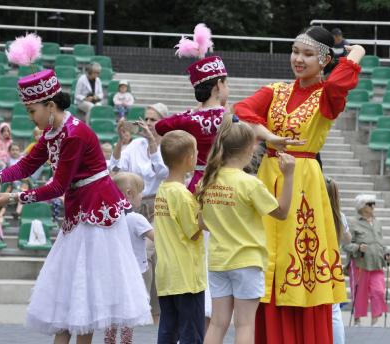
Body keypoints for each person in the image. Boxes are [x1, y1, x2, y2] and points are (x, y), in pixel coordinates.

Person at [0, 65, 151, 343]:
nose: (30, 118)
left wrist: (12, 197)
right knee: (72, 296)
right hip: (79, 211)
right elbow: (25, 166)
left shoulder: (73, 133)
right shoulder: (53, 132)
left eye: (33, 111)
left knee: (86, 297)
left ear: (51, 105)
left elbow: (58, 185)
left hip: (96, 214)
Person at [233, 26, 364, 343]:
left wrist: (351, 51)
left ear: (323, 60)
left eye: (307, 54)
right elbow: (243, 110)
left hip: (304, 178)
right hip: (269, 172)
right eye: (295, 51)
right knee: (265, 251)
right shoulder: (275, 90)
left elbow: (342, 76)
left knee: (299, 253)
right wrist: (270, 138)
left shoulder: (328, 96)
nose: (298, 59)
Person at [196, 114, 295, 344]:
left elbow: (202, 222)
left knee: (218, 324)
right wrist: (288, 176)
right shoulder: (249, 183)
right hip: (247, 260)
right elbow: (281, 212)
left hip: (219, 260)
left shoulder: (207, 180)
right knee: (245, 324)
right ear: (249, 149)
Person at [155, 23, 228, 327]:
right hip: (224, 184)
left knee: (201, 251)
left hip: (196, 184)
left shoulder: (189, 118)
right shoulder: (227, 116)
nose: (228, 89)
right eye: (225, 83)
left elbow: (160, 127)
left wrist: (190, 116)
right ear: (216, 87)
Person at [110, 103, 169, 324]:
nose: (149, 123)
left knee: (150, 253)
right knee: (144, 257)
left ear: (162, 121)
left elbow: (163, 172)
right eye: (147, 118)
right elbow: (115, 167)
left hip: (157, 203)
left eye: (154, 119)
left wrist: (154, 144)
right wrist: (120, 141)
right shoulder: (135, 145)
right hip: (133, 204)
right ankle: (145, 308)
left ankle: (150, 309)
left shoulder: (168, 144)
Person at [154, 130, 205, 343]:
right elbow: (194, 231)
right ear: (188, 159)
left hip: (167, 275)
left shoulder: (163, 189)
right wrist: (204, 204)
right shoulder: (182, 195)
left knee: (168, 329)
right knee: (191, 334)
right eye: (195, 151)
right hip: (186, 276)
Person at [104, 172, 154, 344]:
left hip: (113, 273)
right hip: (135, 274)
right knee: (128, 316)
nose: (143, 195)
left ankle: (109, 341)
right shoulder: (136, 218)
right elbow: (158, 238)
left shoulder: (110, 218)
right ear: (129, 193)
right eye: (141, 191)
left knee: (113, 315)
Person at [343, 194, 390, 327]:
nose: (373, 206)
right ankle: (357, 319)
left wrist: (387, 252)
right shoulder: (352, 222)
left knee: (379, 291)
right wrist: (358, 247)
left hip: (377, 263)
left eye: (373, 204)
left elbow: (380, 242)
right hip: (360, 263)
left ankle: (375, 318)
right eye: (370, 204)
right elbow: (346, 245)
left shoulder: (377, 222)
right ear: (362, 206)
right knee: (359, 293)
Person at [324, 177, 351, 344]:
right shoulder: (339, 216)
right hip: (334, 265)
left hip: (316, 265)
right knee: (334, 312)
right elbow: (348, 239)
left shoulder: (315, 212)